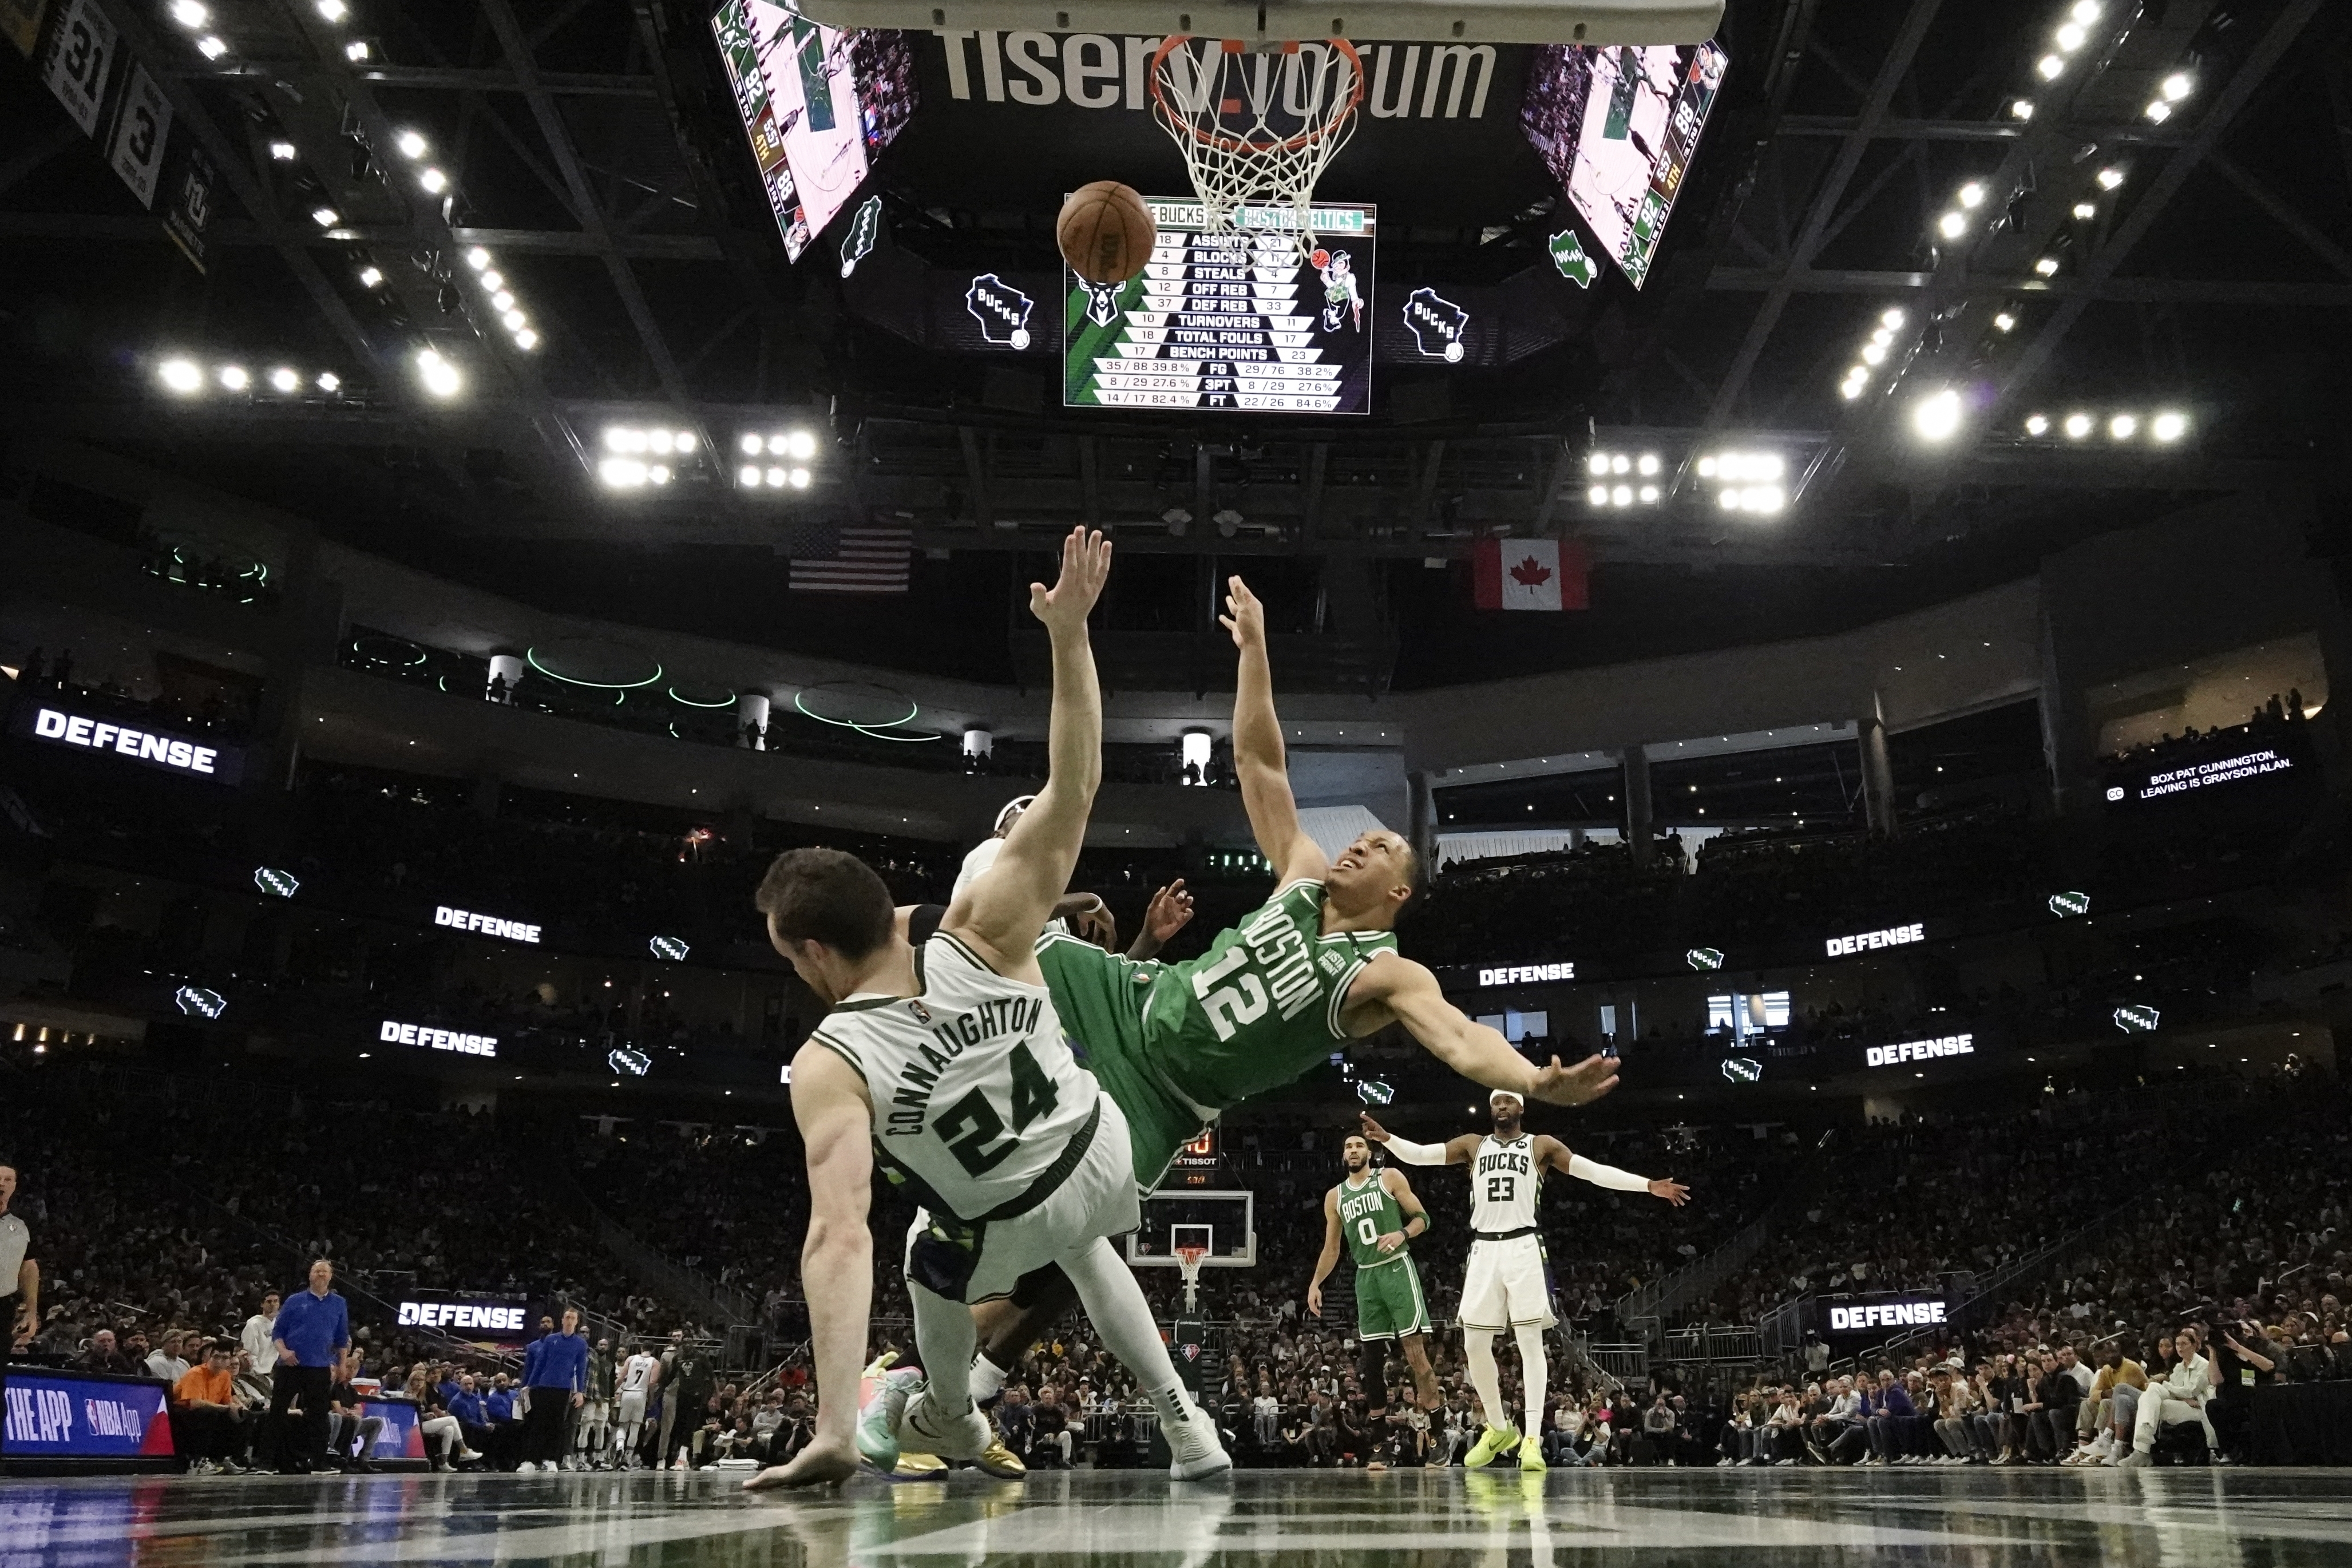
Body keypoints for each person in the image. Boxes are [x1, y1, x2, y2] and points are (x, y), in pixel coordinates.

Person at [967, 575, 1622, 1386]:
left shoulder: (1383, 973)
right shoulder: (1302, 871)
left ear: (1397, 893)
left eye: (1379, 847)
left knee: (1077, 1242)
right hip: (1127, 1000)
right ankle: (869, 1022)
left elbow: (1461, 1038)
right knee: (989, 907)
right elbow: (1258, 760)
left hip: (1164, 1102)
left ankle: (960, 1379)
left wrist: (1530, 1080)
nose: (1356, 845)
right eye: (1362, 838)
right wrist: (1255, 651)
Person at [744, 529, 1226, 1491]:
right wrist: (1070, 633)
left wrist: (833, 1424)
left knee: (930, 1243)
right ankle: (1185, 1425)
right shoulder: (987, 924)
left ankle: (945, 1413)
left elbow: (839, 1234)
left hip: (1001, 1217)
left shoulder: (833, 1057)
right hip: (1104, 1153)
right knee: (1077, 1240)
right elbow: (1079, 781)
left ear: (810, 951)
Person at [1361, 1095, 1685, 1472]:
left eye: (1507, 1101)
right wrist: (1388, 1140)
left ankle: (1531, 1439)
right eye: (1494, 1102)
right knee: (1474, 1344)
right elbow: (1421, 1155)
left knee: (1530, 1342)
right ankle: (1499, 1428)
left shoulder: (1541, 1145)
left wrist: (1647, 1185)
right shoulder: (1472, 1144)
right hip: (1484, 1248)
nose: (1500, 1106)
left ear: (1521, 1109)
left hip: (1524, 1246)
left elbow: (1592, 1171)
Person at [1305, 1130, 1440, 1471]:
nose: (1353, 1150)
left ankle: (1437, 1436)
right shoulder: (1334, 1197)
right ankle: (1379, 1445)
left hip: (1397, 1268)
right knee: (1370, 1363)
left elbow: (1423, 1218)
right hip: (1366, 1276)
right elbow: (1332, 1248)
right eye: (1348, 1146)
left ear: (1370, 1152)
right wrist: (1316, 1283)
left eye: (1359, 1145)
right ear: (1343, 1155)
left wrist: (1401, 1233)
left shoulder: (1390, 1177)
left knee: (1415, 1355)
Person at [269, 1258, 350, 1474]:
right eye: (317, 1271)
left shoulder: (339, 1303)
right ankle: (268, 1462)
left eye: (325, 1271)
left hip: (320, 1366)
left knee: (319, 1416)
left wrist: (342, 1365)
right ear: (310, 1276)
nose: (321, 1275)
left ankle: (318, 1462)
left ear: (331, 1276)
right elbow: (277, 1333)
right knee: (277, 1412)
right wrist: (284, 1353)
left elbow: (342, 1338)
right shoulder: (294, 1301)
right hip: (291, 1365)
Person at [518, 1307, 589, 1472]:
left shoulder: (581, 1344)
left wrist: (580, 1391)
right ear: (563, 1320)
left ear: (577, 1322)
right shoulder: (551, 1340)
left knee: (556, 1425)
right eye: (567, 1317)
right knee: (537, 1423)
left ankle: (550, 1459)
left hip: (563, 1389)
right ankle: (529, 1460)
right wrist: (529, 1384)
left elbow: (581, 1369)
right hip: (543, 1386)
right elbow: (540, 1363)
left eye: (573, 1318)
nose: (570, 1321)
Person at [171, 1340, 253, 1474]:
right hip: (182, 1413)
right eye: (216, 1357)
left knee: (244, 1417)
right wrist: (223, 1408)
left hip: (209, 1410)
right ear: (210, 1357)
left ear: (229, 1360)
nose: (220, 1361)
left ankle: (226, 1458)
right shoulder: (196, 1373)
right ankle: (197, 1462)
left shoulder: (225, 1375)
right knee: (208, 1413)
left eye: (225, 1358)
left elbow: (227, 1402)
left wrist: (239, 1411)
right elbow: (194, 1403)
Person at [326, 1347, 385, 1473]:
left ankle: (363, 1460)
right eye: (348, 1367)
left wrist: (349, 1411)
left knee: (377, 1421)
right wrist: (349, 1412)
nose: (351, 1371)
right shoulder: (335, 1387)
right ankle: (342, 1458)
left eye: (355, 1368)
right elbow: (336, 1409)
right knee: (352, 1420)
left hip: (350, 1422)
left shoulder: (352, 1391)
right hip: (339, 1423)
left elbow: (359, 1411)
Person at [0, 1165, 35, 1369]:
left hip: (3, 1306)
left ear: (14, 1186)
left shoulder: (23, 1223)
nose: (1, 1183)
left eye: (8, 1180)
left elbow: (29, 1266)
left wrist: (31, 1312)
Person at [612, 1337, 660, 1468]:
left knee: (622, 1425)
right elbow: (652, 1382)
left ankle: (620, 1446)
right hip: (641, 1394)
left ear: (641, 1349)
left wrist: (612, 1392)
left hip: (627, 1392)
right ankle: (628, 1458)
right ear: (653, 1350)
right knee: (635, 1426)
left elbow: (621, 1378)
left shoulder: (631, 1359)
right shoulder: (654, 1362)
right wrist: (650, 1398)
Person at [580, 1335, 615, 1468]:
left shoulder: (610, 1364)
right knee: (586, 1427)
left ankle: (598, 1459)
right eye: (601, 1344)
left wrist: (611, 1398)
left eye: (605, 1345)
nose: (603, 1347)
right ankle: (581, 1460)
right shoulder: (590, 1360)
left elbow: (611, 1383)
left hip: (605, 1398)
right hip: (591, 1397)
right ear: (596, 1346)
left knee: (601, 1428)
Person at [241, 1293, 281, 1390]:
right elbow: (249, 1351)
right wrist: (256, 1371)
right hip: (260, 1371)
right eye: (269, 1302)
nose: (273, 1304)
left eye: (276, 1301)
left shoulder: (281, 1322)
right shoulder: (254, 1324)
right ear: (262, 1304)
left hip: (277, 1368)